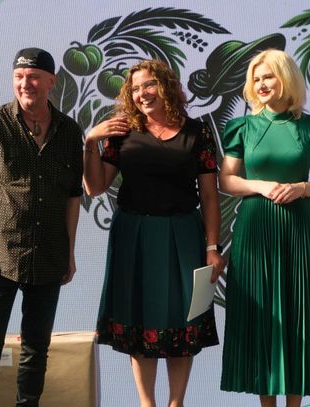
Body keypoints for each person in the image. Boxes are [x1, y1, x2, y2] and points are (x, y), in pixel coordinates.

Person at [83, 59, 224, 407]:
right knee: (139, 319)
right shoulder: (122, 132)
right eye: (135, 88)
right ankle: (147, 404)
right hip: (134, 235)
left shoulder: (198, 132)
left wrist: (212, 247)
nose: (142, 93)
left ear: (166, 87)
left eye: (149, 85)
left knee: (183, 321)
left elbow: (209, 195)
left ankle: (176, 403)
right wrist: (90, 142)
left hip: (184, 235)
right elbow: (95, 187)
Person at [0, 47, 83, 406]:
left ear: (52, 81)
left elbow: (73, 196)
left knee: (36, 349)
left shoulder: (70, 132)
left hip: (49, 254)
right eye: (19, 76)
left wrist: (70, 251)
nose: (25, 83)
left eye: (33, 76)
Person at [219, 49, 310, 407]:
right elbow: (227, 180)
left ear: (286, 78)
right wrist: (259, 185)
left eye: (268, 76)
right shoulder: (243, 128)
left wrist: (301, 188)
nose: (261, 84)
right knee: (262, 318)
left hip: (299, 232)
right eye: (256, 79)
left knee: (298, 314)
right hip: (255, 230)